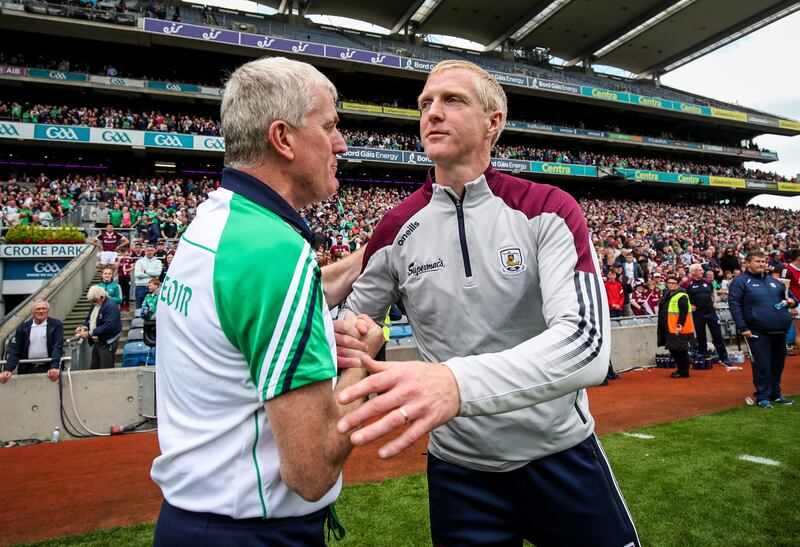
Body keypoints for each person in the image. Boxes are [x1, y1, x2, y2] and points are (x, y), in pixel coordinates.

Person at [336, 60, 638, 546]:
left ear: (494, 122)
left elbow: (586, 343)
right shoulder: (394, 228)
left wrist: (455, 384)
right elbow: (353, 322)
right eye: (425, 103)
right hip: (460, 474)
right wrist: (356, 331)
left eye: (452, 100)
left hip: (560, 455)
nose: (432, 112)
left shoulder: (548, 207)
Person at [150, 57, 384, 546]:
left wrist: (371, 255)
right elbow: (313, 468)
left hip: (192, 520)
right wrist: (362, 360)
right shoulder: (277, 254)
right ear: (283, 139)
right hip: (254, 531)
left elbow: (261, 296)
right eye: (330, 126)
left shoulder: (219, 223)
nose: (341, 144)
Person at [728, 251, 796, 408]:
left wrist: (792, 302)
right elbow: (735, 305)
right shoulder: (740, 282)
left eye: (763, 261)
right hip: (757, 331)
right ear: (748, 263)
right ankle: (762, 396)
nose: (761, 264)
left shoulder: (775, 281)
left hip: (780, 330)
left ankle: (776, 394)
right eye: (757, 261)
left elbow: (792, 299)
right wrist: (743, 327)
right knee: (762, 364)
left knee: (777, 365)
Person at [0, 300, 63, 383]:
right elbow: (15, 350)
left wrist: (54, 367)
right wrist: (7, 369)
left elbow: (57, 347)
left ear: (48, 311)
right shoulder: (23, 327)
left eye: (44, 309)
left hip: (48, 368)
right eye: (38, 309)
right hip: (27, 368)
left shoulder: (56, 325)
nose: (41, 311)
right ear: (32, 312)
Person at [685, 263, 732, 366]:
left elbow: (713, 290)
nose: (702, 271)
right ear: (693, 272)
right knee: (701, 336)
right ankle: (703, 356)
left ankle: (724, 358)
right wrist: (689, 305)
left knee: (717, 335)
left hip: (710, 312)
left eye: (702, 270)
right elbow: (683, 296)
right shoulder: (687, 283)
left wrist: (715, 301)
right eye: (699, 270)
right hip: (698, 314)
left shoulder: (707, 281)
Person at [76, 286, 122, 370]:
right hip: (98, 341)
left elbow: (109, 326)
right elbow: (88, 318)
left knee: (105, 370)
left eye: (94, 301)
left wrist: (90, 333)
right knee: (94, 368)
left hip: (107, 343)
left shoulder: (111, 306)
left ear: (101, 297)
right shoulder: (96, 303)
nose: (93, 303)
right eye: (92, 301)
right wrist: (84, 327)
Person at [657, 276, 694, 378]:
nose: (671, 284)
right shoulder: (667, 295)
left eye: (673, 283)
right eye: (669, 283)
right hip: (670, 327)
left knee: (680, 351)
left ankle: (684, 371)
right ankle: (680, 369)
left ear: (678, 284)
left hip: (679, 329)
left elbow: (683, 312)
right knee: (674, 349)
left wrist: (679, 325)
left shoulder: (682, 296)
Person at [780, 249, 800, 351]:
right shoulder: (787, 270)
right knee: (799, 332)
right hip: (796, 303)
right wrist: (789, 306)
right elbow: (784, 290)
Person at [134, 244, 162, 309]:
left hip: (153, 287)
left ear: (154, 251)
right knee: (139, 307)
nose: (150, 252)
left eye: (151, 250)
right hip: (140, 286)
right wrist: (152, 274)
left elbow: (158, 273)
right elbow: (137, 274)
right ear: (145, 251)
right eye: (148, 250)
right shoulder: (139, 261)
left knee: (152, 307)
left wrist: (145, 271)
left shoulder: (158, 262)